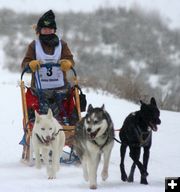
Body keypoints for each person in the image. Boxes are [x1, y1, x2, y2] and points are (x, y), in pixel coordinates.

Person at [21, 10, 75, 121]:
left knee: (66, 117)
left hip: (61, 90)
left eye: (50, 29)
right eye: (45, 29)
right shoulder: (34, 45)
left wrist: (68, 63)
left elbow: (70, 60)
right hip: (39, 92)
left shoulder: (62, 44)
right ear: (40, 30)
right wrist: (30, 65)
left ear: (54, 30)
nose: (47, 31)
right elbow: (24, 65)